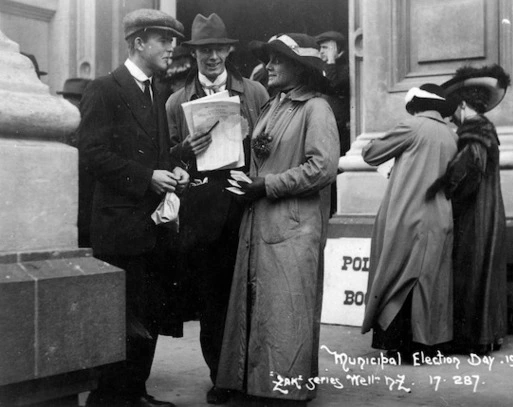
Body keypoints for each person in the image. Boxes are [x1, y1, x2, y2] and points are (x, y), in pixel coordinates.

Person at [215, 33, 339, 405]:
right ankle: (256, 385)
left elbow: (323, 168)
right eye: (268, 59)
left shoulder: (317, 109)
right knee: (261, 308)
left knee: (286, 309)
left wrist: (266, 185)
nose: (268, 66)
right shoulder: (273, 105)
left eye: (277, 60)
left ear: (300, 68)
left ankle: (283, 392)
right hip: (262, 222)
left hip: (293, 227)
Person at [78, 9, 189, 407]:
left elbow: (155, 153)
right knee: (121, 320)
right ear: (138, 42)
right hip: (119, 229)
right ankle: (110, 398)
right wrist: (147, 177)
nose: (172, 47)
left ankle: (135, 393)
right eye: (163, 39)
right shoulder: (105, 89)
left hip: (149, 227)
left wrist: (174, 168)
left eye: (172, 40)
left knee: (147, 313)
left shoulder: (155, 92)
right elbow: (91, 154)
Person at [164, 12, 268, 405]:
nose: (211, 57)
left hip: (245, 202)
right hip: (204, 208)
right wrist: (183, 152)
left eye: (217, 49)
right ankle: (220, 377)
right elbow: (170, 156)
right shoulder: (178, 101)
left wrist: (250, 139)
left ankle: (253, 375)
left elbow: (270, 147)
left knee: (251, 293)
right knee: (213, 298)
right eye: (204, 50)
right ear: (194, 55)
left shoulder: (254, 92)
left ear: (228, 51)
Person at [361, 83, 459, 359]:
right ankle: (426, 344)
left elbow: (371, 154)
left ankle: (398, 344)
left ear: (416, 105)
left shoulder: (413, 126)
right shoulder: (452, 136)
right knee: (430, 281)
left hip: (407, 214)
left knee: (397, 277)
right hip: (440, 216)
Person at [426, 64, 510, 355]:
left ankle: (471, 338)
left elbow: (468, 169)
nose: (452, 118)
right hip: (489, 210)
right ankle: (487, 335)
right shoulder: (485, 128)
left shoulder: (474, 129)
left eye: (454, 111)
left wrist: (442, 188)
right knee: (484, 270)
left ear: (462, 105)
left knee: (470, 268)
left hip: (476, 213)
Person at [57, 77, 94, 247]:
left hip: (86, 201)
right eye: (67, 99)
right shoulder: (60, 128)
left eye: (75, 99)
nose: (70, 104)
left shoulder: (91, 129)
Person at [315, 31, 350, 155]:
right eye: (320, 48)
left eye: (325, 48)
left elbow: (333, 86)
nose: (321, 51)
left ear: (338, 49)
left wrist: (331, 61)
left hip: (339, 128)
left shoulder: (347, 69)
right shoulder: (321, 67)